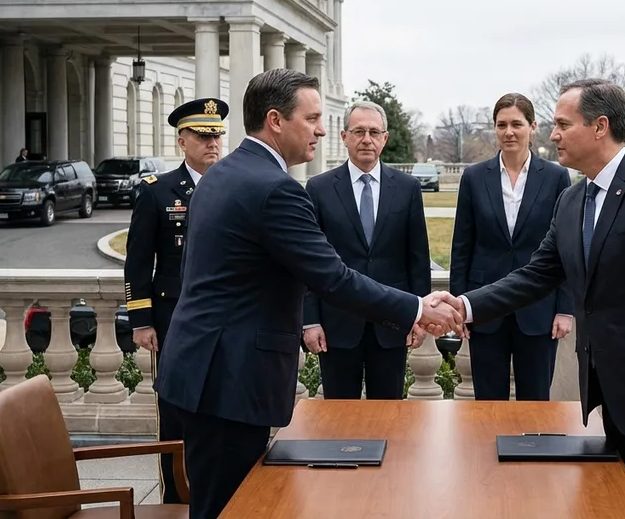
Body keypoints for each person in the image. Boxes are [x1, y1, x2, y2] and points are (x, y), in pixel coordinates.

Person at [154, 68, 463, 519]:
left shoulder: (223, 174)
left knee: (218, 503)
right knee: (231, 506)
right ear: (276, 121)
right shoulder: (275, 189)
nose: (321, 130)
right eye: (313, 118)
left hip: (205, 370)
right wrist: (417, 306)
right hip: (230, 378)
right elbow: (333, 277)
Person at [438, 78, 625, 518]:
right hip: (612, 397)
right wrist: (465, 306)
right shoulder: (573, 199)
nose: (553, 135)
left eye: (562, 124)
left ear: (600, 127)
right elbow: (536, 275)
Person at [123, 96, 226, 504]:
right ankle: (176, 499)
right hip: (172, 319)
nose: (212, 144)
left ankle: (217, 493)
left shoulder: (231, 186)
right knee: (174, 410)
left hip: (223, 319)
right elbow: (137, 262)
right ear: (182, 141)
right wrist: (141, 320)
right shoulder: (157, 191)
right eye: (203, 136)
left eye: (216, 136)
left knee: (221, 408)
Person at [301, 100, 432, 399]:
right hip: (337, 324)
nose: (367, 139)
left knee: (389, 414)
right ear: (344, 136)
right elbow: (308, 264)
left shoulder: (408, 188)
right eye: (359, 131)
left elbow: (417, 260)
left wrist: (419, 316)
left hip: (392, 323)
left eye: (374, 132)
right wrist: (310, 320)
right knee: (338, 415)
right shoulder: (319, 189)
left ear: (385, 138)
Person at [449, 92, 572, 401]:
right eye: (501, 125)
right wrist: (459, 307)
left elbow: (566, 249)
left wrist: (565, 309)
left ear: (533, 127)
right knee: (488, 403)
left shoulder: (556, 177)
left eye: (517, 124)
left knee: (536, 402)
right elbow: (462, 248)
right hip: (484, 308)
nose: (509, 132)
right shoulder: (474, 177)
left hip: (538, 308)